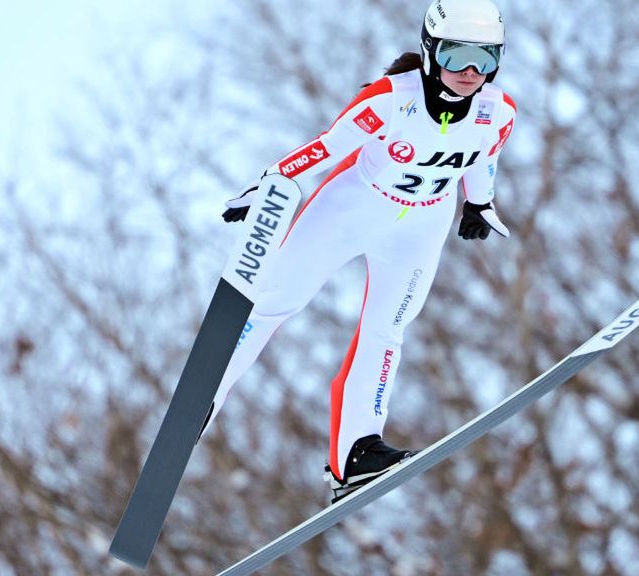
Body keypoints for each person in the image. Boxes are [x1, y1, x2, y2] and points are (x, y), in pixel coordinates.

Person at [208, 0, 516, 503]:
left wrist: (479, 203)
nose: (469, 71)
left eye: (484, 59)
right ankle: (206, 397)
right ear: (431, 50)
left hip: (421, 225)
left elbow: (486, 155)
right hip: (353, 207)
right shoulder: (391, 99)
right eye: (458, 55)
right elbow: (325, 147)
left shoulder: (497, 110)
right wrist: (271, 183)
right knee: (276, 301)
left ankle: (355, 454)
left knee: (387, 328)